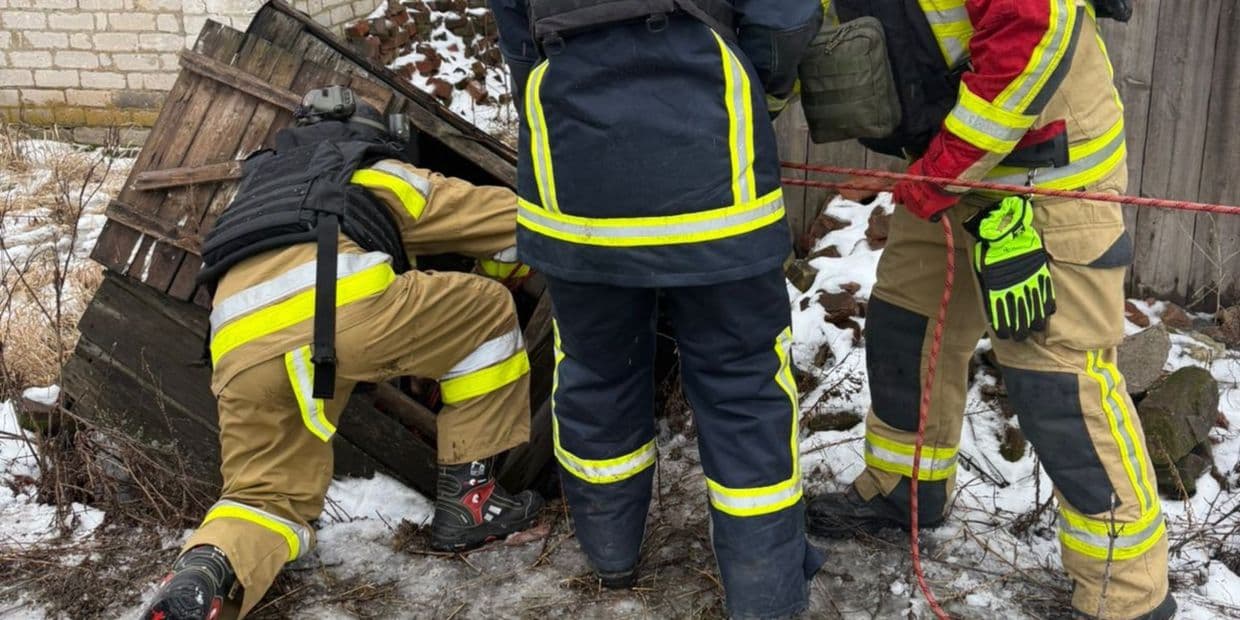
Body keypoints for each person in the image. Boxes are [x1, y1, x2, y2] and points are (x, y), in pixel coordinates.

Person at [802, 2, 1173, 619]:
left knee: (1058, 385)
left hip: (1048, 177)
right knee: (905, 329)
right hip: (949, 159)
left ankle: (1128, 593)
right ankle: (906, 490)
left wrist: (941, 172)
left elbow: (1033, 31)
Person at [141, 86, 543, 620]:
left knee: (262, 495)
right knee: (486, 310)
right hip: (341, 314)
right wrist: (502, 269)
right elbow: (514, 222)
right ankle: (471, 503)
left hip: (238, 349)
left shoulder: (253, 194)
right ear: (371, 137)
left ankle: (204, 573)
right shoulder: (372, 171)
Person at [488, 1, 823, 617]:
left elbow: (518, 42)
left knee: (596, 367)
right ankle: (766, 592)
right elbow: (785, 21)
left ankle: (611, 555)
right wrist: (752, 92)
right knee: (743, 382)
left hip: (574, 178)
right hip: (716, 171)